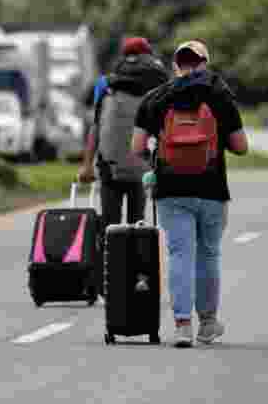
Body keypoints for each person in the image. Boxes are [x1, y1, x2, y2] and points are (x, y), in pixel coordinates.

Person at [130, 40, 248, 348]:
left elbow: (137, 147)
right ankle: (207, 324)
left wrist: (155, 163)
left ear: (175, 66)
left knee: (179, 254)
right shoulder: (219, 94)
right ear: (205, 63)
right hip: (212, 189)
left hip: (170, 190)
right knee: (208, 255)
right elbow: (241, 146)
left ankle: (182, 326)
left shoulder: (156, 98)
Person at [78, 37, 169, 226]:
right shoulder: (158, 84)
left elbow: (96, 126)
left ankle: (110, 251)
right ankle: (135, 252)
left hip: (110, 166)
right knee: (138, 222)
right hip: (142, 165)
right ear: (147, 56)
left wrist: (87, 165)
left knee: (110, 223)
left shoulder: (105, 84)